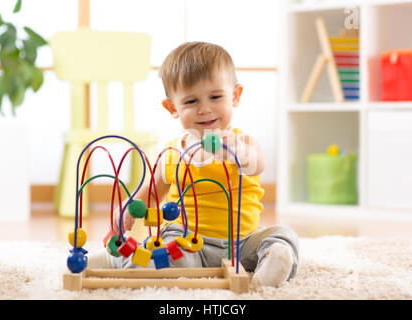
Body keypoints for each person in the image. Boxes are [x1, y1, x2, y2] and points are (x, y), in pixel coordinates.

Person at [88, 42, 299, 287]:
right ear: (172, 108)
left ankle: (268, 270)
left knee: (283, 237)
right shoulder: (170, 153)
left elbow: (257, 165)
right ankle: (117, 261)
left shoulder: (243, 142)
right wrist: (128, 206)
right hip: (186, 240)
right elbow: (150, 195)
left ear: (235, 96)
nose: (205, 109)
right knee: (165, 256)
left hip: (242, 242)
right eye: (191, 102)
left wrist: (233, 149)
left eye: (216, 97)